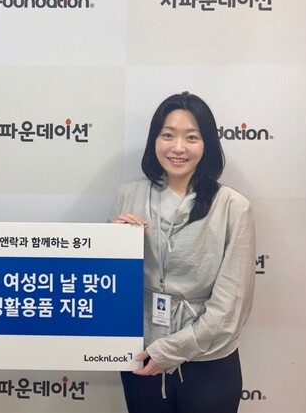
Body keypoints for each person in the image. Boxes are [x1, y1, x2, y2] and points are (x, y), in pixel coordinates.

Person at [109, 92, 255, 413]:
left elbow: (229, 309)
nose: (178, 148)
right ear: (155, 140)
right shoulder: (128, 195)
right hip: (142, 352)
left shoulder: (233, 207)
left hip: (208, 358)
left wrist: (170, 350)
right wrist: (115, 243)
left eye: (191, 137)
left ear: (207, 145)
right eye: (168, 135)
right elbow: (108, 287)